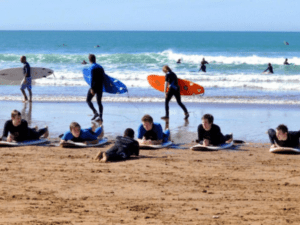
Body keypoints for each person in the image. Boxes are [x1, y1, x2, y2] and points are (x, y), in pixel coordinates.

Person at [86, 54, 105, 121]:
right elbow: (104, 77)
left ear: (89, 60)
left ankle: (95, 112)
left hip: (94, 87)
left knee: (88, 100)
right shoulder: (101, 67)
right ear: (95, 59)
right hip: (100, 87)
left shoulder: (91, 67)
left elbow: (92, 79)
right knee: (99, 102)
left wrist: (92, 88)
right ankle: (101, 116)